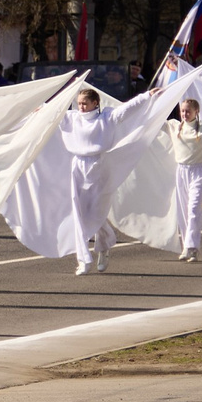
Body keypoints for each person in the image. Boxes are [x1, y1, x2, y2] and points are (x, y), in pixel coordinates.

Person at [158, 96, 202, 262]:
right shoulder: (173, 126)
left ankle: (192, 247)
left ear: (196, 112)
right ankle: (187, 246)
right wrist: (150, 99)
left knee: (193, 209)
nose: (185, 114)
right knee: (182, 212)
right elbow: (154, 120)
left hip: (198, 172)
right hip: (181, 172)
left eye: (188, 111)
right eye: (183, 111)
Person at [61, 88, 115, 275]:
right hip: (77, 166)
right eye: (79, 103)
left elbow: (128, 109)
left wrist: (147, 96)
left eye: (85, 103)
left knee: (96, 212)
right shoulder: (72, 117)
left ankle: (104, 244)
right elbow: (49, 113)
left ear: (95, 103)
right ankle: (83, 259)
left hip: (98, 167)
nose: (81, 107)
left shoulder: (105, 118)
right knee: (78, 213)